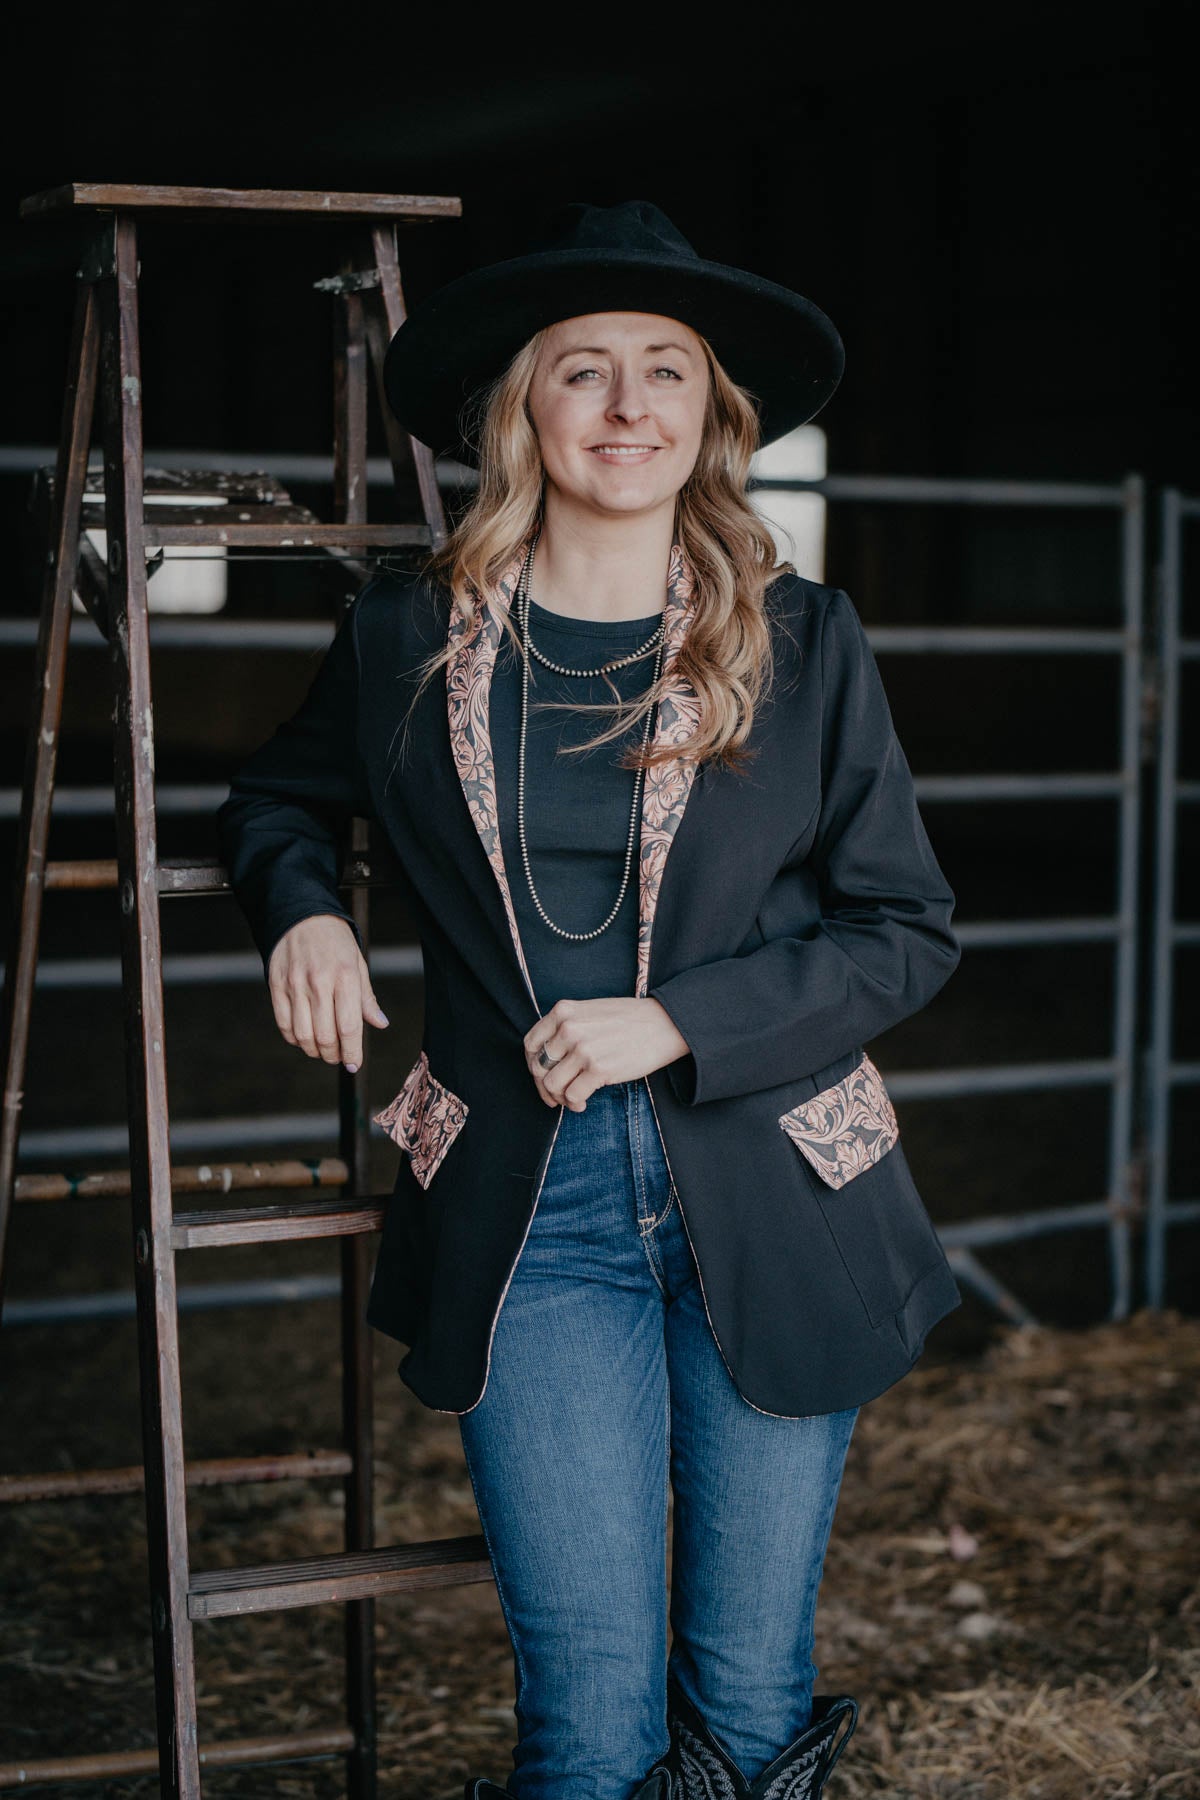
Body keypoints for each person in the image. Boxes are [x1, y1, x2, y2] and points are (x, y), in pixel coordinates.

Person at [217, 199, 963, 1800]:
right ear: (521, 410)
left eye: (666, 373)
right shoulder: (405, 640)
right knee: (591, 1720)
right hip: (529, 1211)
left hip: (772, 1189)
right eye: (583, 373)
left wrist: (683, 1019)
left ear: (709, 417)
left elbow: (907, 928)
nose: (627, 409)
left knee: (753, 1696)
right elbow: (272, 803)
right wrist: (305, 917)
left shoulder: (807, 644)